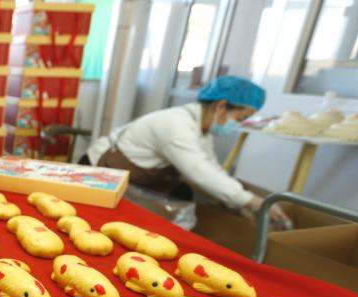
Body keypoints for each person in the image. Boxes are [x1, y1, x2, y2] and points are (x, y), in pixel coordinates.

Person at [87, 76, 292, 227]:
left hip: (139, 176)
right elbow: (200, 172)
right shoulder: (176, 125)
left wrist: (238, 203)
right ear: (221, 106)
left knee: (182, 195)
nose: (237, 125)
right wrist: (252, 201)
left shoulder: (201, 129)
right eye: (240, 118)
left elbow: (211, 168)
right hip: (102, 171)